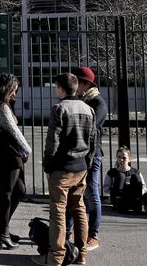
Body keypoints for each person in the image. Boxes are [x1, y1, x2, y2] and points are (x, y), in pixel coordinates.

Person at [32, 73, 96, 266]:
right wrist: (88, 163)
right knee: (79, 209)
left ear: (60, 88)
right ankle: (82, 253)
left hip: (62, 168)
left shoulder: (59, 108)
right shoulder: (88, 109)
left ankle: (56, 257)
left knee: (58, 212)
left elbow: (52, 142)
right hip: (81, 167)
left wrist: (47, 165)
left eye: (56, 87)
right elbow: (93, 141)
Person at [0, 74, 32, 250]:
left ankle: (2, 228)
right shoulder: (1, 107)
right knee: (7, 192)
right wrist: (27, 149)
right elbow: (14, 132)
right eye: (14, 89)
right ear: (7, 88)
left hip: (6, 154)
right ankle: (3, 234)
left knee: (19, 190)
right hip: (7, 154)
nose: (16, 92)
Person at [65, 67, 107, 251]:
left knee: (91, 194)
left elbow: (89, 127)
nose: (76, 86)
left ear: (86, 84)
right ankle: (67, 231)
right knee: (73, 193)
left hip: (92, 154)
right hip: (80, 153)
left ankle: (94, 235)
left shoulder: (98, 103)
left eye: (78, 81)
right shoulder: (82, 100)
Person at [103, 146, 146, 213]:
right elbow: (106, 188)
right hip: (119, 199)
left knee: (135, 177)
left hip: (133, 197)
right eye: (119, 157)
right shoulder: (112, 172)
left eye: (124, 158)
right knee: (121, 176)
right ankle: (119, 205)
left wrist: (138, 193)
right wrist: (113, 191)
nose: (121, 160)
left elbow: (143, 186)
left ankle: (137, 205)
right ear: (117, 158)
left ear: (129, 159)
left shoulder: (135, 171)